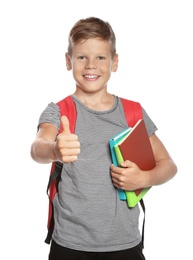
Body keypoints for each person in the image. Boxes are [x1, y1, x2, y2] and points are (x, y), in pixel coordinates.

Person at [30, 17, 177, 260]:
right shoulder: (58, 111)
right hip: (69, 245)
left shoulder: (133, 112)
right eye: (81, 57)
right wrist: (54, 150)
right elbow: (37, 147)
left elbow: (169, 166)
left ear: (114, 62)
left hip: (125, 244)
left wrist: (144, 177)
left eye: (100, 57)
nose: (91, 65)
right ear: (69, 61)